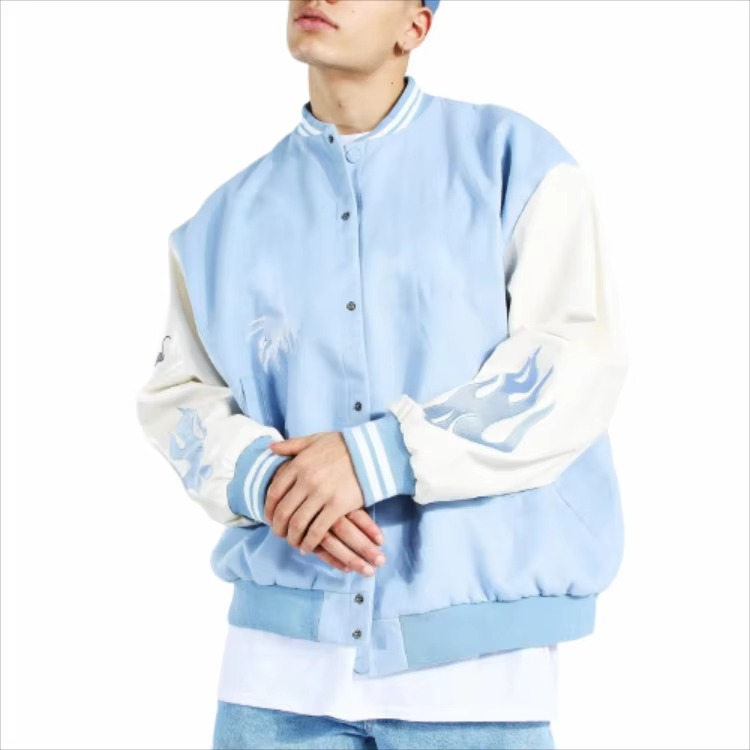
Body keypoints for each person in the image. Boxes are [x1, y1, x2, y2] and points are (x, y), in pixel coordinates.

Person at [135, 1, 628, 747]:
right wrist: (265, 480)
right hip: (276, 676)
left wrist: (375, 456)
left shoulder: (513, 164)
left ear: (414, 27)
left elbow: (571, 361)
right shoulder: (219, 223)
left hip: (473, 678)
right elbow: (178, 398)